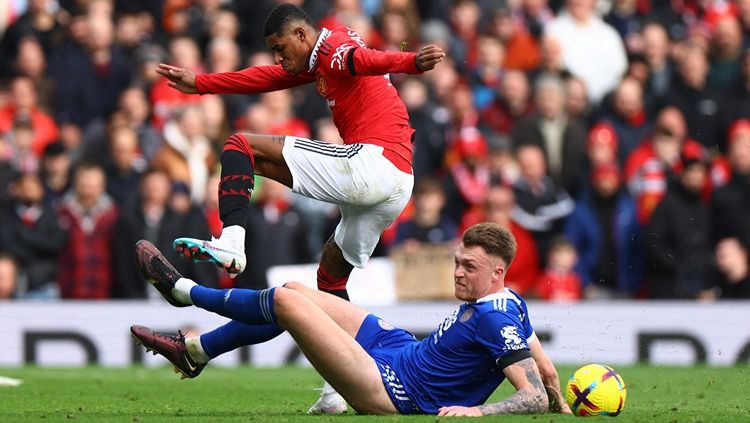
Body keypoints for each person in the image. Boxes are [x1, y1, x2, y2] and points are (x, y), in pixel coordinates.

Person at [155, 4, 445, 412]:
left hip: (372, 163)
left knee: (240, 145)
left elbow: (365, 59)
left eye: (279, 47)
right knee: (328, 282)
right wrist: (202, 83)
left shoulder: (335, 49)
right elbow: (268, 77)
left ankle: (233, 241)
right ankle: (338, 391)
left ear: (301, 36)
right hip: (399, 181)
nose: (278, 57)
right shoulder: (321, 55)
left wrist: (410, 62)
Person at [130, 223, 571, 416]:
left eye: (468, 268)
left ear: (498, 272)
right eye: (457, 262)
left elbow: (529, 395)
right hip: (400, 349)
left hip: (392, 390)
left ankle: (186, 293)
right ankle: (197, 352)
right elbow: (546, 375)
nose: (457, 272)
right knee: (306, 295)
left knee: (287, 303)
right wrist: (564, 405)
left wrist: (477, 412)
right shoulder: (509, 299)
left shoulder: (498, 322)